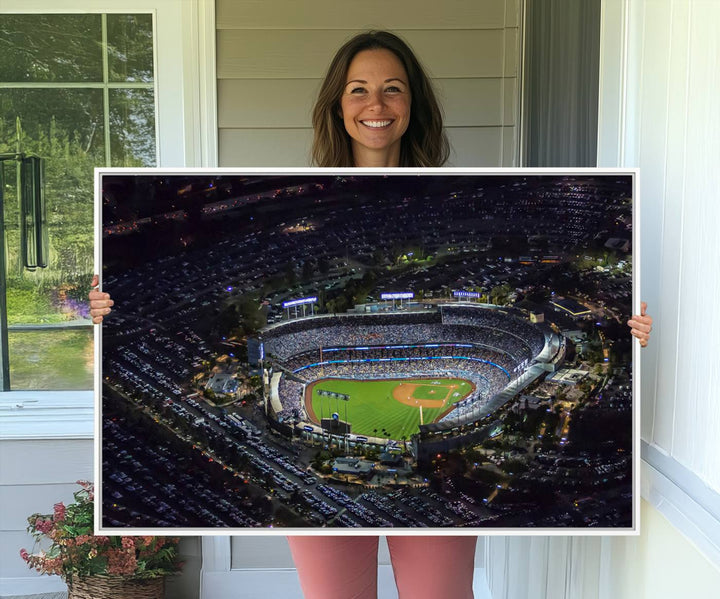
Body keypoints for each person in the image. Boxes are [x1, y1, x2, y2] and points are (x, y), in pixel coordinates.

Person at [90, 30, 653, 599]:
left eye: (392, 89)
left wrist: (628, 331)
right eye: (358, 90)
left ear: (413, 105)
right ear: (338, 105)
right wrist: (109, 307)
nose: (376, 105)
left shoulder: (454, 198)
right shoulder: (299, 206)